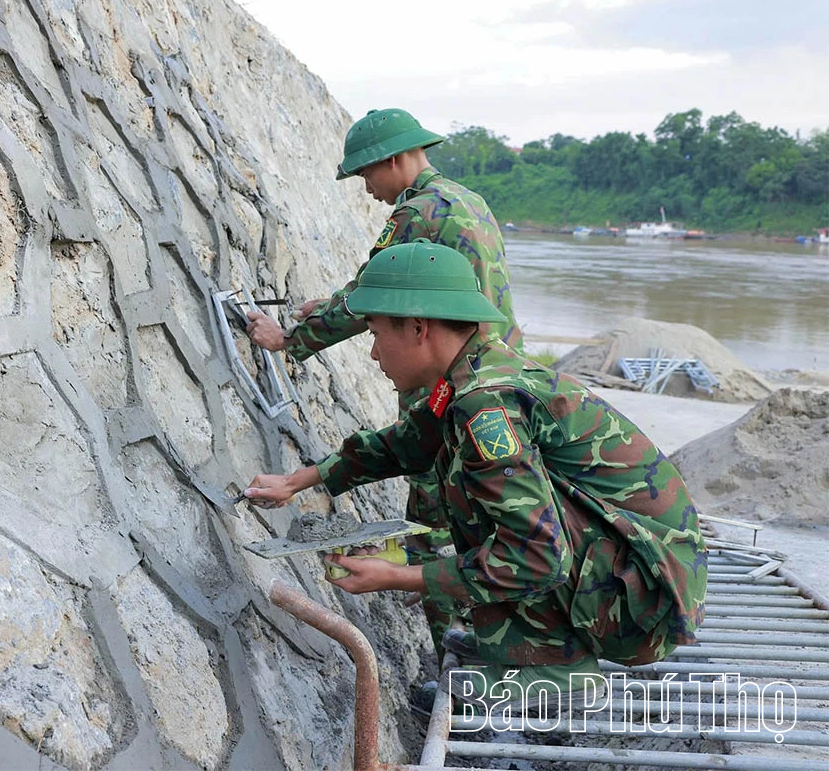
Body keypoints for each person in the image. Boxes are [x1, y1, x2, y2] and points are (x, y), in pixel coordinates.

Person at [244, 241, 707, 708]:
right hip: (637, 573)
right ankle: (519, 643)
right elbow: (411, 442)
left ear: (419, 328)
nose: (373, 354)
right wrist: (300, 480)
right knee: (483, 485)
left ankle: (558, 670)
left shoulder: (485, 404)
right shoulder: (473, 372)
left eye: (377, 333)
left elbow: (538, 555)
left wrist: (403, 576)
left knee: (497, 506)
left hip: (647, 599)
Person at [245, 107, 522, 657]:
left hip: (445, 380)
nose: (368, 189)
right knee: (473, 515)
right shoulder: (468, 202)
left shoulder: (415, 213)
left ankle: (458, 661)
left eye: (367, 174)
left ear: (393, 160)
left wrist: (289, 339)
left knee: (435, 522)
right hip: (490, 363)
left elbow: (372, 293)